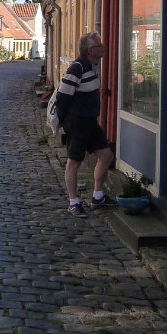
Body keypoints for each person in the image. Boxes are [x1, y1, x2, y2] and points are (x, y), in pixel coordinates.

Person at [54, 31, 117, 217]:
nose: (103, 48)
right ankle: (73, 202)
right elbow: (62, 98)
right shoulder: (77, 68)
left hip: (90, 121)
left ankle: (98, 196)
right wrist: (66, 123)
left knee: (106, 155)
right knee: (74, 161)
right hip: (77, 122)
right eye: (100, 46)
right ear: (91, 50)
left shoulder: (92, 65)